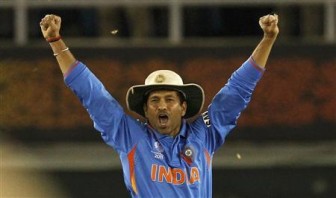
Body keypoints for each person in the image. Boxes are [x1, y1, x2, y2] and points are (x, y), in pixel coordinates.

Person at [40, 13, 279, 197]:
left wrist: (267, 40)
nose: (161, 106)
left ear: (183, 108)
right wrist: (56, 41)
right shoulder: (130, 136)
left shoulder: (205, 134)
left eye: (169, 100)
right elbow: (93, 96)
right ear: (145, 110)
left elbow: (236, 91)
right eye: (154, 100)